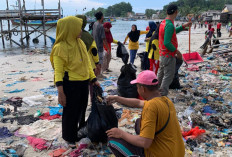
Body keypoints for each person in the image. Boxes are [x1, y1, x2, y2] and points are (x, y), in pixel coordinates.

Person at [106, 70, 185, 157]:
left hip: (161, 154)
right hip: (178, 152)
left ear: (142, 89)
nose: (137, 90)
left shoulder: (150, 107)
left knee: (112, 140)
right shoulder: (166, 101)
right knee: (138, 123)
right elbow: (138, 103)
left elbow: (145, 142)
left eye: (137, 87)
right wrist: (117, 98)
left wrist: (121, 133)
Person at [50, 16, 100, 147]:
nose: (80, 30)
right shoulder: (60, 47)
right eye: (78, 27)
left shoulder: (80, 43)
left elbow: (87, 63)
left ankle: (80, 130)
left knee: (82, 108)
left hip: (83, 82)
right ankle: (69, 137)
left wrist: (93, 79)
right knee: (71, 111)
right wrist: (60, 92)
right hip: (70, 84)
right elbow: (58, 72)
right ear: (70, 29)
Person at [158, 4, 192, 96]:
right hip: (168, 55)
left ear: (166, 12)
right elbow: (167, 42)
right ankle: (162, 95)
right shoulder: (169, 24)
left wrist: (183, 26)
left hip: (162, 54)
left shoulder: (164, 22)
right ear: (176, 12)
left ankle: (155, 91)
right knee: (168, 76)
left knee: (160, 74)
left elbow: (171, 32)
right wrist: (177, 51)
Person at [92, 11, 110, 78]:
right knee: (100, 62)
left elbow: (92, 35)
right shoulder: (101, 26)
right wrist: (108, 48)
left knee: (96, 61)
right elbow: (103, 38)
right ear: (101, 17)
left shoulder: (94, 24)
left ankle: (96, 74)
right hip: (99, 46)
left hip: (94, 45)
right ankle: (98, 75)